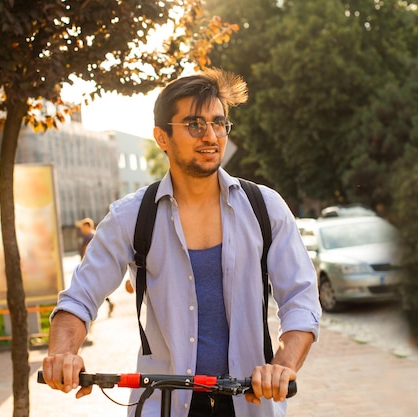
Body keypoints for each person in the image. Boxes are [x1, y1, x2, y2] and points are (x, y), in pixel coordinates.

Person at [42, 68, 321, 417]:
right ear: (162, 137)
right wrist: (63, 353)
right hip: (165, 406)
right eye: (194, 124)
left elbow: (301, 299)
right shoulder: (131, 217)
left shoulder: (265, 208)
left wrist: (282, 364)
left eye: (218, 123)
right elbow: (79, 299)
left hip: (250, 403)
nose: (211, 136)